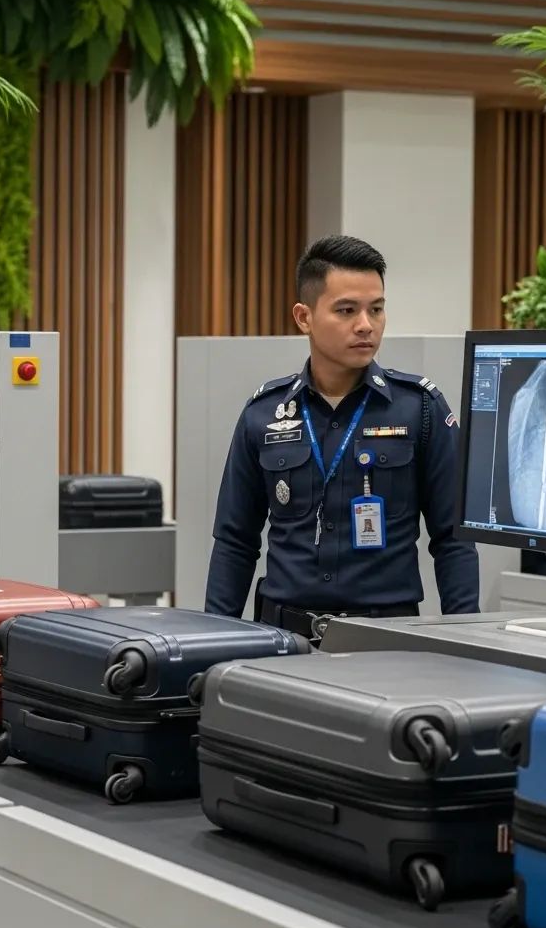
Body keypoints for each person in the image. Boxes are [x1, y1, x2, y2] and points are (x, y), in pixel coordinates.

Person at [204, 235, 479, 638]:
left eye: (376, 309)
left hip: (386, 640)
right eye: (347, 310)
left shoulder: (419, 408)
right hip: (286, 640)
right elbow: (235, 542)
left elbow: (453, 541)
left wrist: (466, 641)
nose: (366, 325)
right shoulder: (264, 413)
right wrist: (212, 642)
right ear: (304, 317)